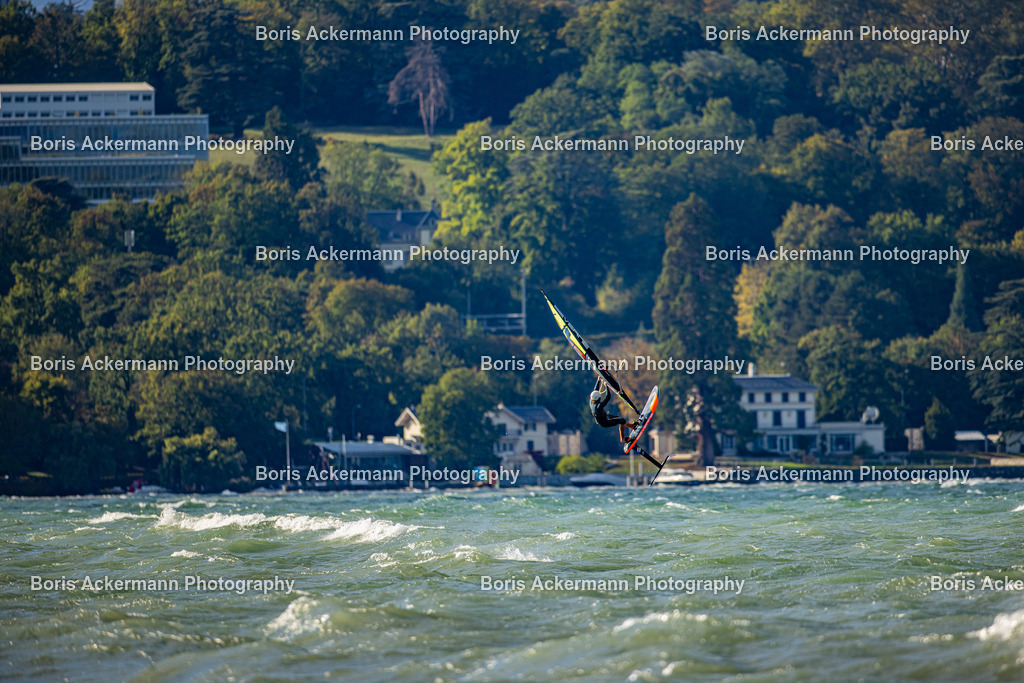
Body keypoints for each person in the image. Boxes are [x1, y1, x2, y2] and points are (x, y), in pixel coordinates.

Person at [589, 378, 637, 442]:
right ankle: (622, 439)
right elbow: (608, 397)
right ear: (598, 399)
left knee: (618, 419)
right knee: (621, 420)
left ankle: (632, 426)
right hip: (605, 421)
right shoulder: (598, 407)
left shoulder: (591, 401)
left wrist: (598, 381)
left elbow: (595, 390)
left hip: (604, 417)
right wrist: (606, 386)